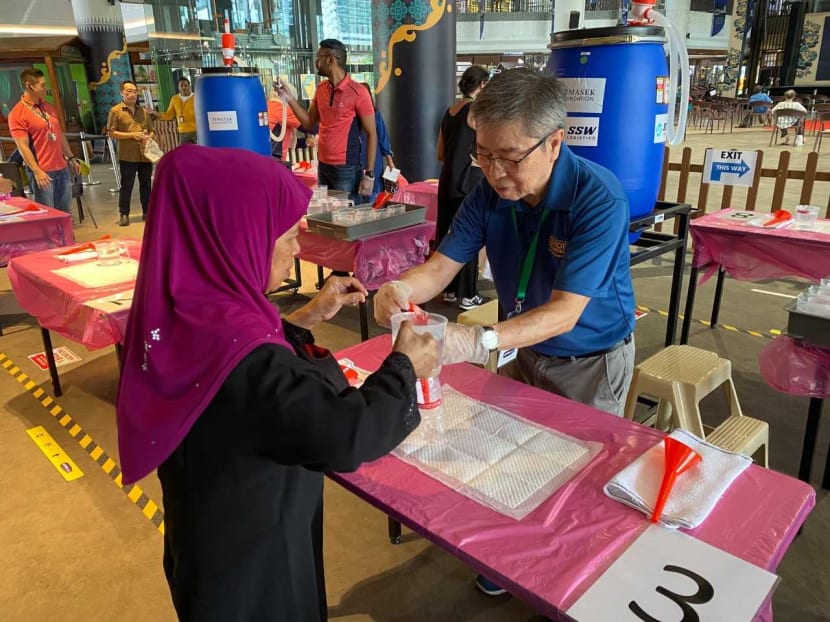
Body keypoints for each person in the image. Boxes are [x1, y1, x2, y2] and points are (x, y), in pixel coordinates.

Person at [115, 144, 437, 621]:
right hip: (255, 572)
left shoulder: (183, 309)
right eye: (285, 234)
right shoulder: (248, 361)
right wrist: (404, 366)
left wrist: (307, 316)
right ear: (236, 237)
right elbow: (345, 433)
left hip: (206, 544)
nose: (297, 247)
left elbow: (244, 368)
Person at [280, 39, 377, 202]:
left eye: (319, 58)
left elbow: (372, 133)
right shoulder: (321, 89)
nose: (316, 62)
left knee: (348, 219)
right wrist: (289, 98)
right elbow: (309, 123)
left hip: (346, 167)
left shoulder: (358, 92)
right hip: (323, 165)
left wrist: (370, 174)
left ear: (330, 60)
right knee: (328, 217)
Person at [436, 65, 490, 310]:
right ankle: (468, 295)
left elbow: (440, 153)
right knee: (469, 234)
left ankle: (448, 289)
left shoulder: (450, 111)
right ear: (482, 85)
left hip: (447, 178)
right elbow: (487, 145)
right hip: (468, 180)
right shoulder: (475, 111)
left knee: (446, 233)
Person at [7, 68, 81, 214]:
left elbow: (59, 135)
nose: (45, 89)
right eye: (42, 85)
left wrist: (71, 157)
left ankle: (66, 237)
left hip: (61, 168)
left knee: (65, 212)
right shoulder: (17, 113)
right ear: (29, 86)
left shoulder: (48, 107)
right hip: (43, 171)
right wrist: (36, 170)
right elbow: (23, 147)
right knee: (47, 213)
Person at [107, 80, 155, 226]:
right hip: (128, 155)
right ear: (121, 93)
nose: (132, 94)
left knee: (146, 184)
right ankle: (124, 213)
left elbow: (152, 130)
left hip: (145, 154)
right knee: (127, 184)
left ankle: (148, 211)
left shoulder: (143, 112)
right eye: (128, 91)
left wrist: (148, 137)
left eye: (134, 91)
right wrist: (131, 135)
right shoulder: (116, 111)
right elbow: (111, 132)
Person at [360, 82, 395, 201]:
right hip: (373, 159)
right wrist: (390, 162)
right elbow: (383, 138)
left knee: (364, 191)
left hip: (364, 159)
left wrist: (390, 163)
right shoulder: (375, 115)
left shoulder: (353, 117)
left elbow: (383, 137)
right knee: (374, 191)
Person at [151, 77, 197, 145]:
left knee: (198, 152)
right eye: (181, 85)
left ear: (189, 86)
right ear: (178, 87)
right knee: (184, 153)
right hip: (182, 132)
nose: (184, 87)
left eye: (186, 85)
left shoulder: (196, 97)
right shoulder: (174, 99)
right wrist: (155, 113)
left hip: (196, 131)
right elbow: (169, 115)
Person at [267, 80, 301, 160]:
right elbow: (309, 126)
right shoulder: (282, 108)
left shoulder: (267, 105)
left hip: (264, 156)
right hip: (275, 159)